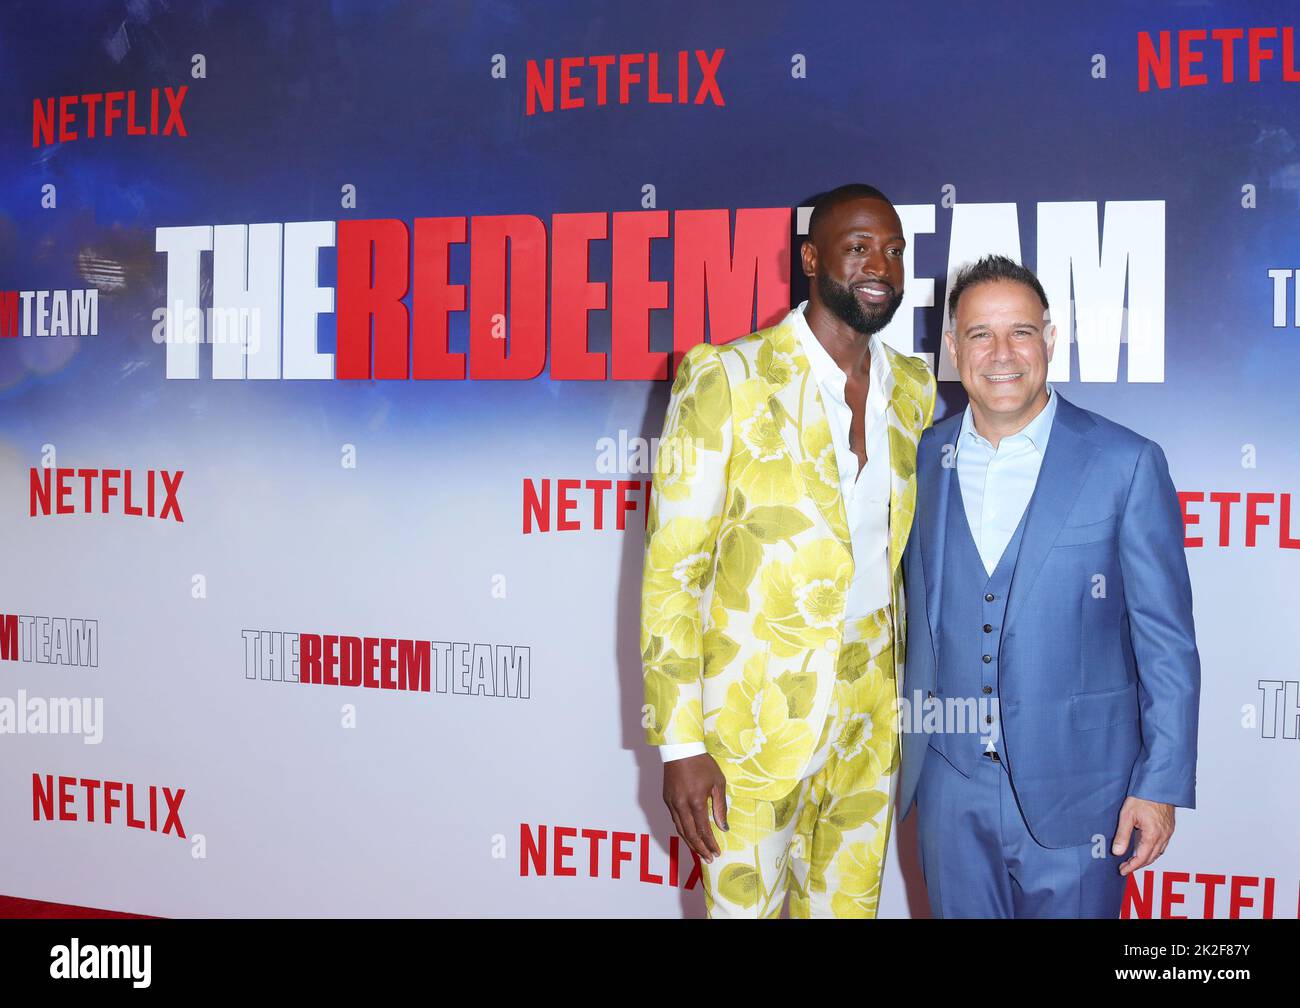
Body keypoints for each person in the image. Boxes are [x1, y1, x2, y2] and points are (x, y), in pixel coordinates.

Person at [640, 184, 936, 917]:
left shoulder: (913, 388)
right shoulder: (726, 379)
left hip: (870, 715)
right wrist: (680, 745)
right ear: (810, 257)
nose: (881, 266)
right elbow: (673, 574)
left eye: (895, 251)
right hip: (750, 721)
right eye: (860, 246)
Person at [897, 254, 1200, 918]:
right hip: (949, 792)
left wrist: (1160, 785)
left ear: (1051, 339)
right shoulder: (918, 460)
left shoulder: (1126, 462)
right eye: (979, 334)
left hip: (1084, 795)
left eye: (1021, 332)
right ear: (953, 348)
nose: (1001, 353)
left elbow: (1166, 640)